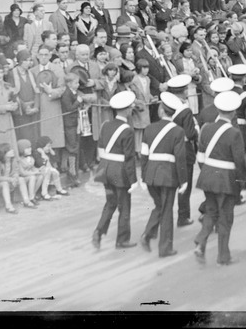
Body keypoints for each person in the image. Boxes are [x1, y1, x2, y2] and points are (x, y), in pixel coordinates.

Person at [193, 90, 246, 266]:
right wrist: (243, 182)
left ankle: (201, 239)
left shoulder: (207, 128)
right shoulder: (234, 133)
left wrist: (209, 172)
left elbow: (200, 157)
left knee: (211, 211)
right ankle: (223, 256)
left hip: (208, 176)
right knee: (225, 218)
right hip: (226, 180)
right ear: (232, 112)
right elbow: (239, 162)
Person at [139, 92, 189, 258]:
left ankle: (148, 233)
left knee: (160, 206)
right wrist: (183, 181)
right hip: (168, 176)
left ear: (161, 110)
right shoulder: (178, 131)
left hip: (151, 174)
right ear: (173, 112)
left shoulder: (149, 128)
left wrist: (143, 177)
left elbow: (144, 155)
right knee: (167, 210)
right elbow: (180, 158)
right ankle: (164, 248)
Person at [92, 90, 138, 250]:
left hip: (105, 170)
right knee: (124, 205)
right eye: (130, 107)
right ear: (126, 110)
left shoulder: (106, 126)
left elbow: (100, 150)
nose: (132, 109)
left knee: (110, 202)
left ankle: (98, 231)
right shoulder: (127, 130)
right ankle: (122, 239)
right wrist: (133, 180)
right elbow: (129, 158)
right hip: (120, 172)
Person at [165, 73, 200, 228]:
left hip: (169, 148)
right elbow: (190, 133)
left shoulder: (167, 107)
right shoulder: (184, 110)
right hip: (184, 149)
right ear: (184, 91)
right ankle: (183, 216)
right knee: (185, 183)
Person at [60, 73, 83, 187]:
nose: (78, 85)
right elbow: (69, 108)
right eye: (76, 83)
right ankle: (72, 174)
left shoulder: (73, 92)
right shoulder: (66, 94)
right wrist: (78, 101)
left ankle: (71, 171)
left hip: (74, 122)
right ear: (69, 84)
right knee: (72, 146)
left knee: (74, 146)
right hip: (69, 124)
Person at [0, 142, 30, 213]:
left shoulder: (12, 160)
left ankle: (26, 201)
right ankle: (8, 205)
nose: (12, 151)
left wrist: (15, 177)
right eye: (9, 150)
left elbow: (15, 171)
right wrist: (10, 179)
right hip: (1, 183)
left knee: (21, 179)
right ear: (4, 153)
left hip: (10, 180)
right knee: (5, 183)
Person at [17, 138, 43, 206]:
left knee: (40, 176)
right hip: (22, 178)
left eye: (30, 147)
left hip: (30, 176)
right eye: (27, 148)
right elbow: (22, 173)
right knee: (32, 177)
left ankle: (31, 196)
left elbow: (32, 168)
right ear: (21, 149)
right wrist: (34, 173)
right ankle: (31, 197)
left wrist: (38, 170)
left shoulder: (31, 158)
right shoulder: (19, 160)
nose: (30, 149)